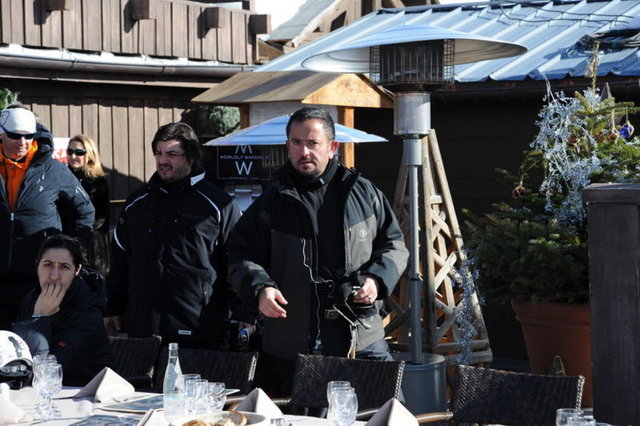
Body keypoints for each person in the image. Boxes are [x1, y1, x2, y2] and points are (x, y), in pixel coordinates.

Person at [227, 107, 409, 395]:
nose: (304, 151)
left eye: (313, 143)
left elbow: (394, 244)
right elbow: (240, 254)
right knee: (303, 416)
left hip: (361, 333)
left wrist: (376, 279)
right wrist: (260, 288)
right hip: (293, 340)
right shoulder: (271, 202)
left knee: (389, 410)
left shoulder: (364, 193)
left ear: (332, 147)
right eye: (297, 143)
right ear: (287, 146)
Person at [104, 122, 242, 349]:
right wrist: (113, 307)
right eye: (158, 153)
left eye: (172, 154)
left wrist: (244, 314)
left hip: (199, 330)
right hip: (144, 327)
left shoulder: (219, 205)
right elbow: (119, 261)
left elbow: (238, 262)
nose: (162, 160)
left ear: (191, 157)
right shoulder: (137, 203)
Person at [0, 107, 95, 330]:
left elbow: (85, 211)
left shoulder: (53, 170)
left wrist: (72, 251)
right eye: (14, 135)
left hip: (40, 281)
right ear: (1, 134)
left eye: (28, 136)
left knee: (36, 342)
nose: (22, 142)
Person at [13, 234, 114, 386]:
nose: (54, 276)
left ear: (77, 270)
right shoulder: (32, 297)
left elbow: (48, 372)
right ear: (37, 266)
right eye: (48, 265)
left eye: (64, 267)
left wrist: (39, 317)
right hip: (34, 390)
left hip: (82, 391)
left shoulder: (88, 309)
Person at [65, 134, 110, 276]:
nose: (73, 156)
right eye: (70, 151)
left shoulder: (98, 182)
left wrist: (78, 237)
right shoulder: (62, 177)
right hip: (65, 244)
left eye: (79, 152)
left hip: (92, 247)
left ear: (89, 155)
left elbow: (100, 218)